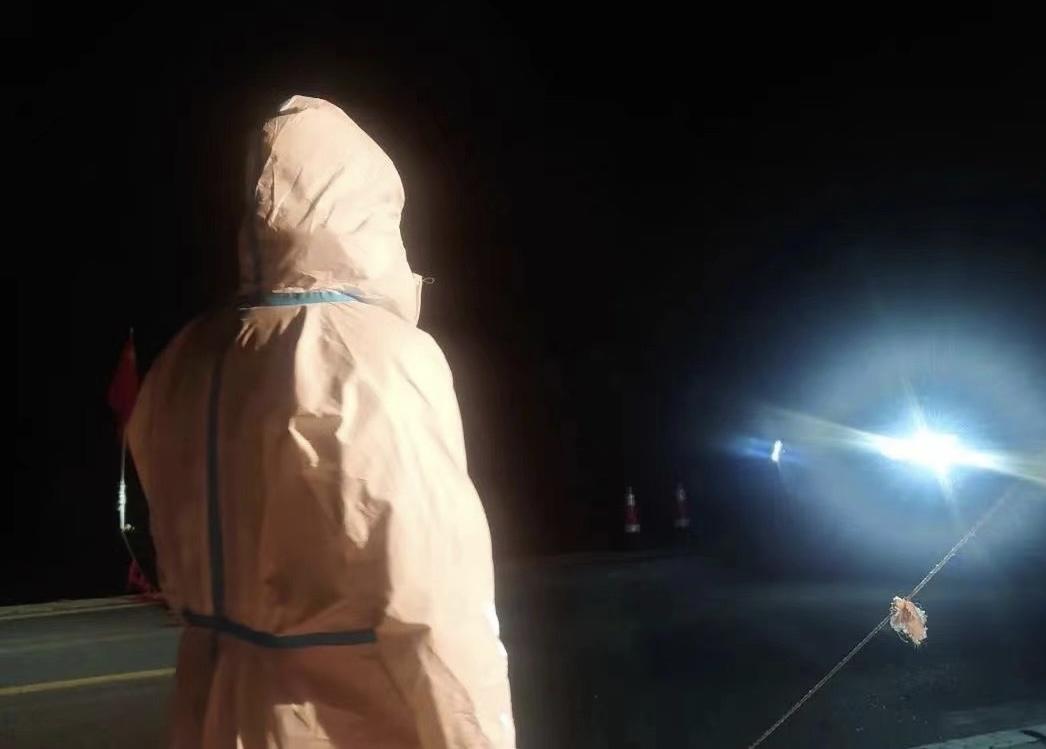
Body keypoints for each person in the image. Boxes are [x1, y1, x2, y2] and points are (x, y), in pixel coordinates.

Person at [128, 95, 515, 748]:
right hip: (344, 725)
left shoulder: (185, 358)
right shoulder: (377, 357)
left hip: (212, 714)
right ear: (366, 208)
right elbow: (435, 605)